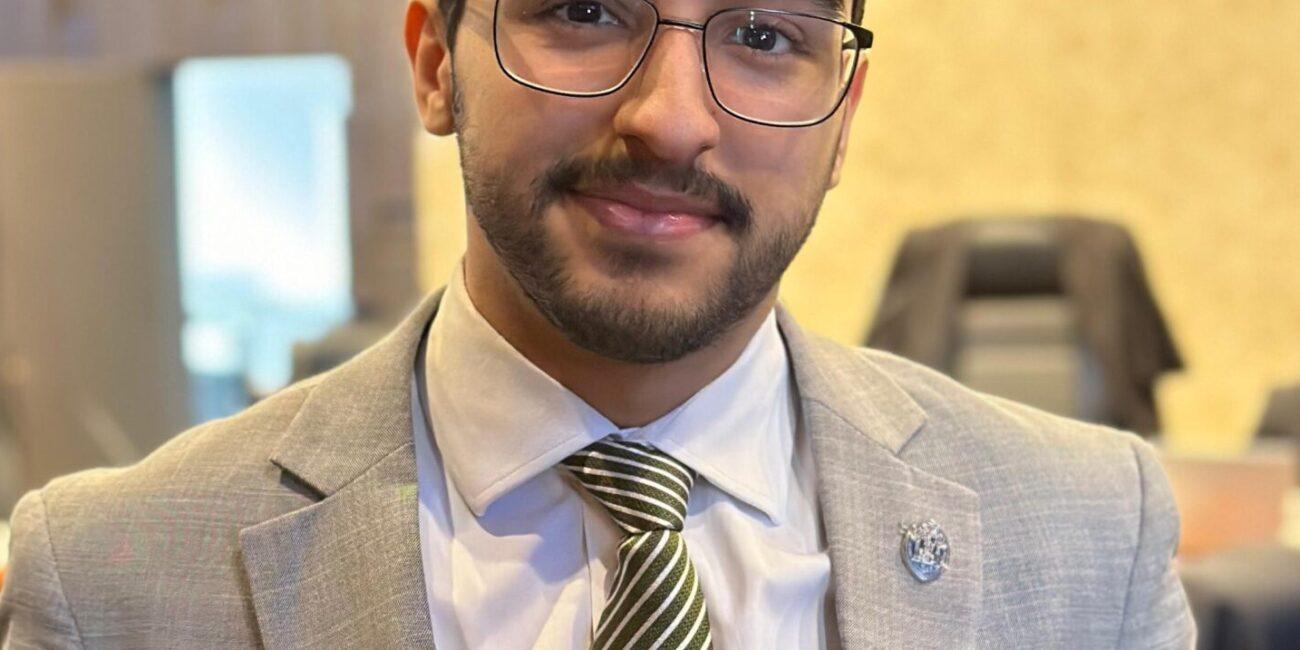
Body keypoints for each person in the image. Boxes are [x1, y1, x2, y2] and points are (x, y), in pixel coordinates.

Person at [0, 0, 1195, 647]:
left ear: (842, 116)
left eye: (764, 36)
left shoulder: (1090, 538)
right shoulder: (112, 581)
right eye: (583, 9)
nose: (670, 119)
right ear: (434, 61)